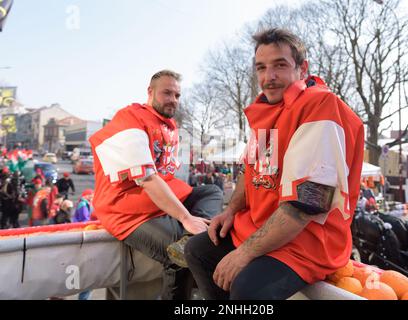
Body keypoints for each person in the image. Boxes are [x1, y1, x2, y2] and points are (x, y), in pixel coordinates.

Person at [184, 28, 365, 300]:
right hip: (262, 228)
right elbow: (250, 167)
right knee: (198, 250)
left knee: (248, 289)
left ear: (302, 69)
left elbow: (307, 205)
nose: (269, 77)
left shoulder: (321, 105)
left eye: (280, 65)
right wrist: (231, 210)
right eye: (261, 68)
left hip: (307, 242)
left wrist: (244, 254)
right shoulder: (266, 109)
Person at [88, 69, 223, 300]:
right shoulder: (129, 119)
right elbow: (148, 179)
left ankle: (190, 240)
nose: (173, 100)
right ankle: (189, 245)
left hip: (160, 201)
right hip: (128, 211)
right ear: (150, 92)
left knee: (211, 191)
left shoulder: (169, 125)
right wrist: (186, 218)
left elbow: (165, 174)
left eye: (177, 95)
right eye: (167, 93)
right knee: (181, 259)